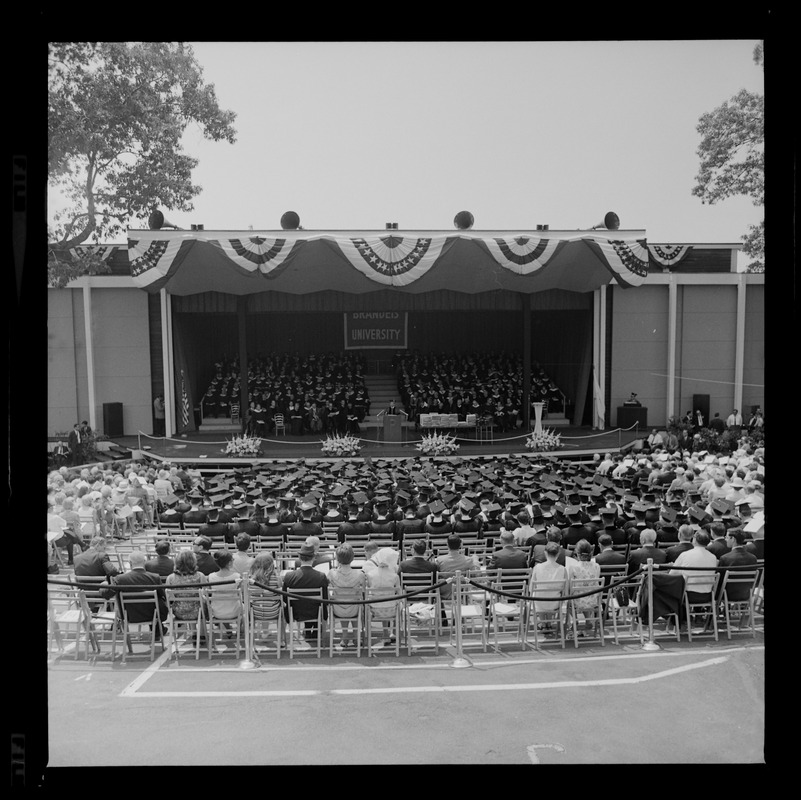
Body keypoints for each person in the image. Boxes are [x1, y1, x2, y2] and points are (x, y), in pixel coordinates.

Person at [101, 550, 168, 639]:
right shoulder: (154, 577)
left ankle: (157, 630)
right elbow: (163, 596)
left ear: (130, 563)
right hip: (152, 615)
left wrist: (102, 586)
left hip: (129, 615)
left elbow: (106, 594)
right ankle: (157, 629)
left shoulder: (120, 579)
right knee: (158, 601)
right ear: (144, 562)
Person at [283, 543, 329, 642]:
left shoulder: (289, 576)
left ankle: (308, 630)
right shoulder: (321, 576)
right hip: (316, 612)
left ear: (299, 558)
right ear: (313, 558)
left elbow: (284, 598)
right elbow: (326, 599)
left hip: (296, 613)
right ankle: (314, 629)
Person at [327, 544, 366, 650]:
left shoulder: (331, 573)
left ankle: (345, 636)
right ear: (352, 558)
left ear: (337, 558)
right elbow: (363, 592)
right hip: (355, 609)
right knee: (356, 602)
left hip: (338, 609)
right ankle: (355, 634)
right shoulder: (360, 574)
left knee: (343, 602)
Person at [166, 550, 209, 641]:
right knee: (201, 603)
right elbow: (206, 593)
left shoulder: (170, 577)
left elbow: (169, 597)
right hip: (198, 611)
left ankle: (194, 632)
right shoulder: (200, 576)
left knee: (192, 603)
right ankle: (201, 634)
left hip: (179, 612)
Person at [365, 547, 401, 646]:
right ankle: (393, 632)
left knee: (380, 600)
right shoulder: (394, 576)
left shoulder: (370, 574)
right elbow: (399, 595)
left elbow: (368, 591)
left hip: (374, 610)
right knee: (397, 605)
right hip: (391, 609)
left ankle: (384, 633)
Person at [530, 542, 568, 633]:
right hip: (555, 603)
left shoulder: (537, 567)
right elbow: (565, 591)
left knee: (539, 594)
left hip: (539, 603)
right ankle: (549, 623)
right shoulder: (563, 569)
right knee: (553, 594)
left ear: (545, 553)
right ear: (558, 554)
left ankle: (543, 624)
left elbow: (531, 588)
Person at [566, 539, 602, 631]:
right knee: (587, 592)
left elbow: (570, 585)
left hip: (578, 601)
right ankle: (588, 620)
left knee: (567, 597)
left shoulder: (573, 567)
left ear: (577, 553)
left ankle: (575, 619)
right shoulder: (596, 566)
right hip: (593, 600)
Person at [207, 550, 243, 637]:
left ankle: (228, 629)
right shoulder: (237, 576)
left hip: (217, 612)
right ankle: (241, 630)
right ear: (229, 562)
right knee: (245, 607)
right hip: (234, 611)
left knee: (225, 603)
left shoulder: (210, 576)